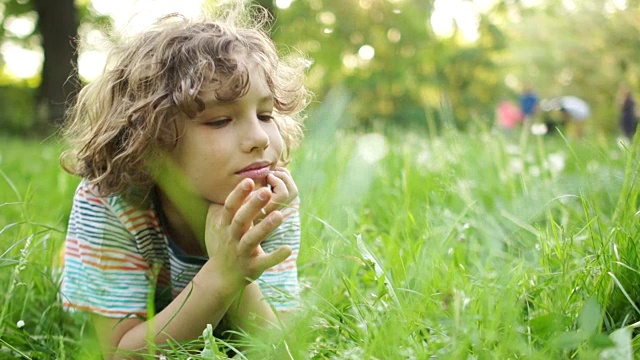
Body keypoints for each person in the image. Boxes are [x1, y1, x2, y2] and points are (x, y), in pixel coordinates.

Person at [58, 4, 311, 358]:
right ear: (150, 140)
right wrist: (221, 275)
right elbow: (119, 353)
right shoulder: (111, 201)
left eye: (265, 114)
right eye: (221, 120)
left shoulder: (271, 197)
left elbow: (278, 348)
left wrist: (242, 261)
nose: (260, 138)